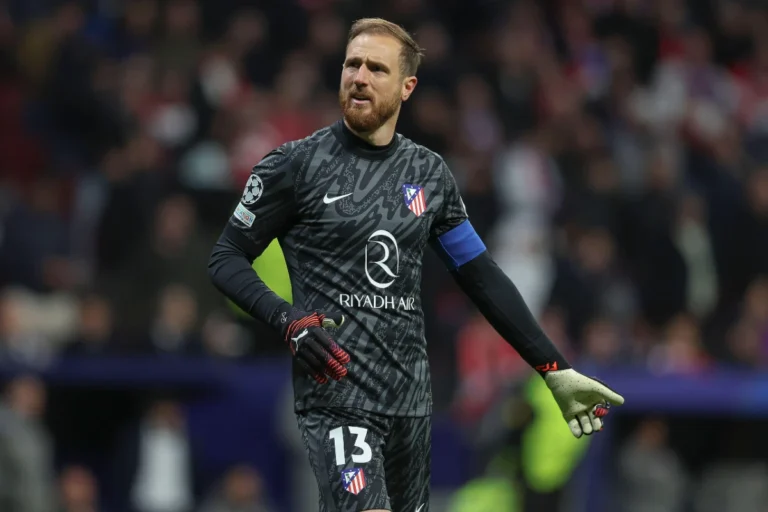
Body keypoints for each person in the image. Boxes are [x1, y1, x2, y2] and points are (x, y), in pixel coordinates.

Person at [208, 17, 624, 512]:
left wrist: (555, 369)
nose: (359, 76)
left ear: (407, 87)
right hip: (337, 392)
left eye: (376, 68)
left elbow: (481, 277)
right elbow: (226, 257)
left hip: (409, 399)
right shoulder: (293, 167)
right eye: (352, 64)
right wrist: (288, 319)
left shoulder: (428, 174)